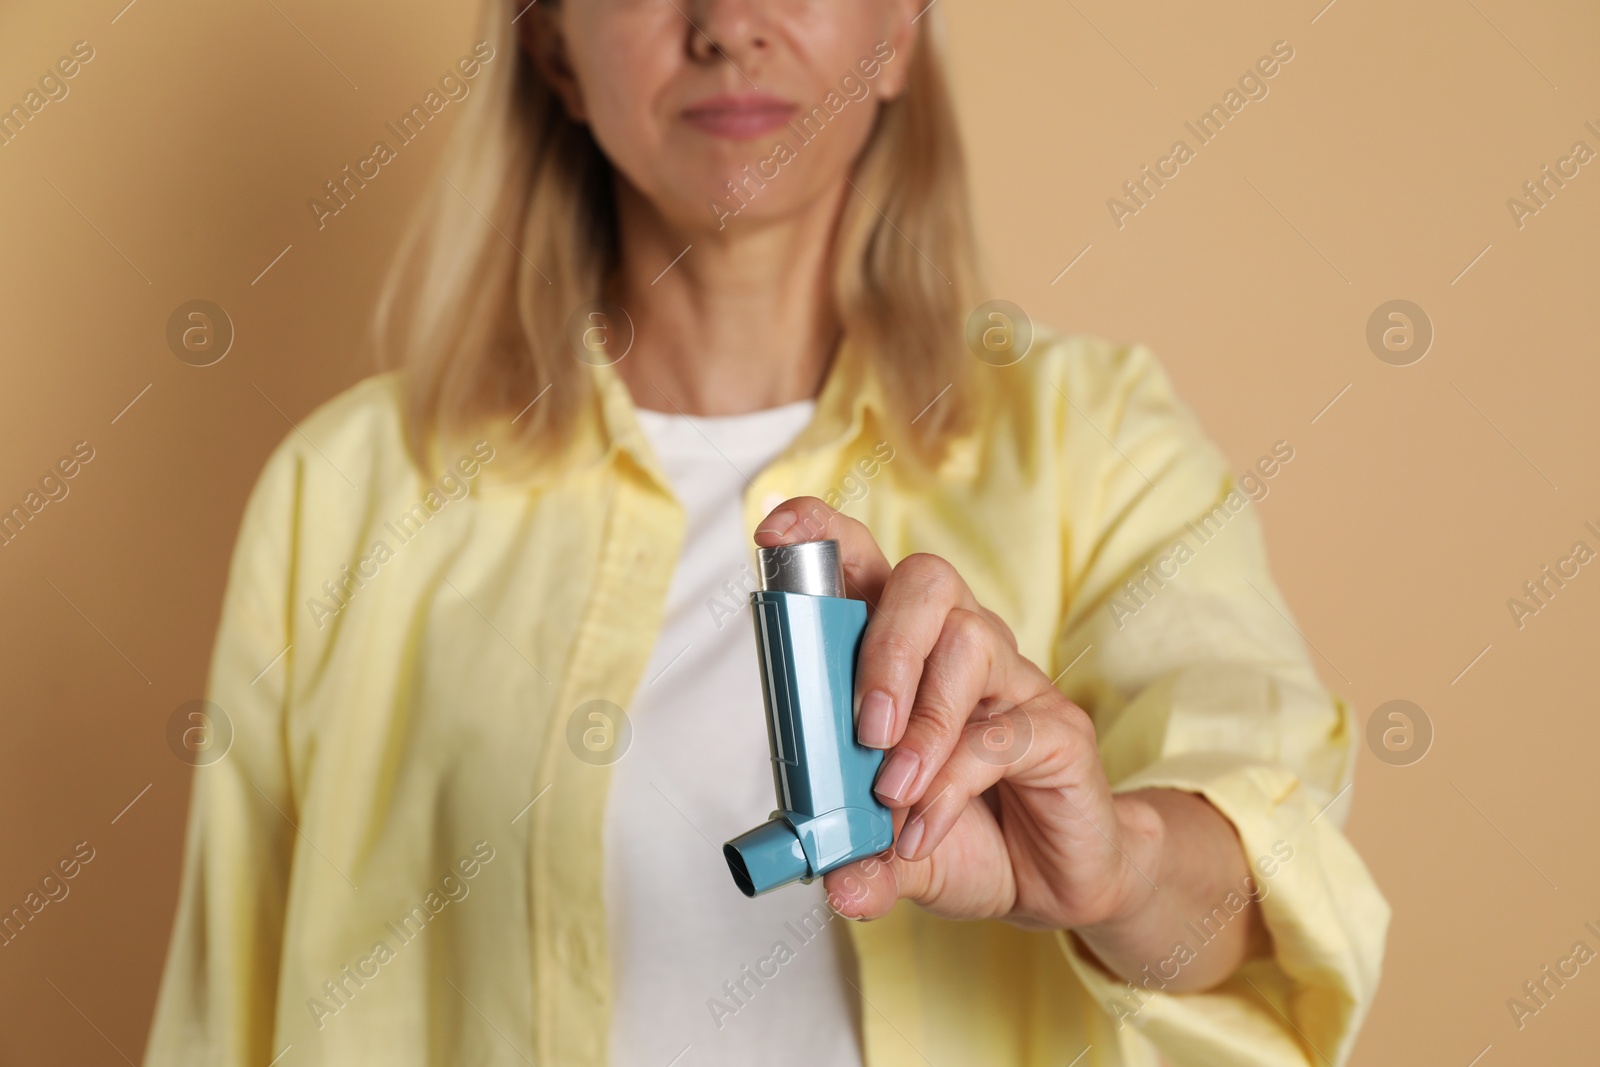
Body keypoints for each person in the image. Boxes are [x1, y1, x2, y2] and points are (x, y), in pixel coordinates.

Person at [146, 1, 1387, 1064]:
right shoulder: (347, 492)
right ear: (554, 49)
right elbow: (224, 1012)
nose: (727, 22)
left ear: (900, 24)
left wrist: (1113, 867)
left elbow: (1252, 897)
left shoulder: (1099, 439)